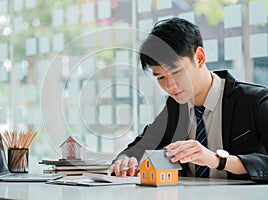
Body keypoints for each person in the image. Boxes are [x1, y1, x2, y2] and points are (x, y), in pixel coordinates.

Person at [108, 17, 268, 183]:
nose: (170, 86)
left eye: (176, 72)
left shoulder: (254, 101)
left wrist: (218, 161)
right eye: (161, 77)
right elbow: (140, 146)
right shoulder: (175, 107)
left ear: (199, 57)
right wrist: (125, 160)